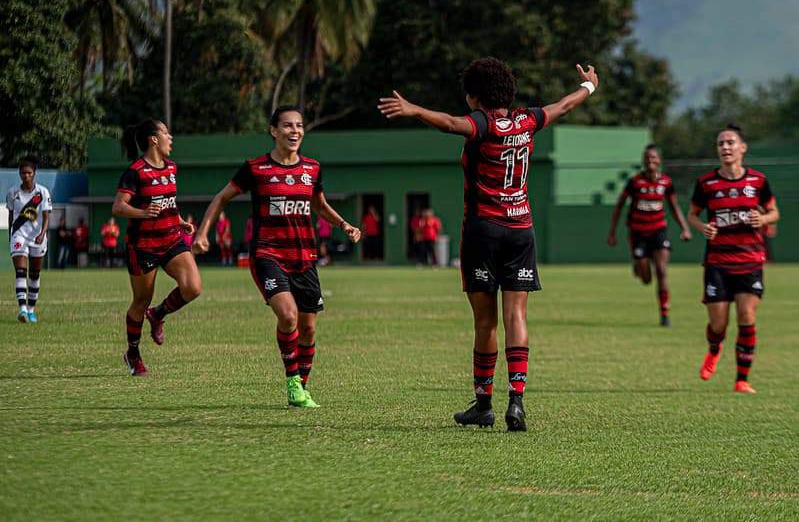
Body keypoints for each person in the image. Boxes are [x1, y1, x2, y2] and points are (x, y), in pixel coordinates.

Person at [379, 57, 598, 431]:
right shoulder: (527, 120)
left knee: (485, 322)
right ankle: (516, 402)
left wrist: (414, 109)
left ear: (474, 96)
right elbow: (564, 105)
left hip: (485, 231)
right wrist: (589, 85)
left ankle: (483, 405)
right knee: (517, 317)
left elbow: (451, 124)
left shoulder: (482, 123)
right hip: (521, 230)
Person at [193, 106, 361, 408]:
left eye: (299, 125)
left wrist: (343, 224)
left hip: (304, 257)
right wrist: (203, 233)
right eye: (287, 125)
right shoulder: (255, 168)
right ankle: (293, 381)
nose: (294, 131)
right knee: (288, 315)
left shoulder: (312, 169)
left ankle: (302, 386)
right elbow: (221, 198)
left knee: (308, 329)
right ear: (273, 131)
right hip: (268, 254)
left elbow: (319, 205)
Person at [687, 122, 779, 394]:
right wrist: (703, 227)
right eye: (720, 144)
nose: (725, 147)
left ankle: (742, 379)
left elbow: (774, 212)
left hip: (750, 260)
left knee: (746, 318)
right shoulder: (706, 183)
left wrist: (763, 219)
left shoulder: (758, 181)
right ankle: (715, 347)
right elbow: (693, 215)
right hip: (717, 262)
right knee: (718, 324)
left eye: (730, 142)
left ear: (743, 147)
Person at [113, 119, 202, 376]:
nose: (170, 138)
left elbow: (168, 202)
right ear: (154, 139)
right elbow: (118, 207)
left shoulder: (171, 167)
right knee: (141, 301)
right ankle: (133, 353)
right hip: (144, 246)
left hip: (172, 239)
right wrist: (142, 213)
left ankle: (158, 314)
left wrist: (179, 220)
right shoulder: (136, 172)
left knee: (193, 287)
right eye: (166, 133)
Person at [606, 145, 692, 326]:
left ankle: (665, 314)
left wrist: (685, 228)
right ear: (643, 162)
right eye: (647, 158)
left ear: (659, 160)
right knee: (646, 279)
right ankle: (639, 266)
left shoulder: (666, 183)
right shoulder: (635, 182)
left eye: (653, 157)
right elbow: (620, 205)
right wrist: (612, 232)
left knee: (661, 270)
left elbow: (674, 207)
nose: (650, 161)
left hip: (659, 231)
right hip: (638, 232)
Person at [6, 156, 52, 323]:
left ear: (34, 174)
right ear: (19, 174)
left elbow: (46, 216)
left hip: (37, 237)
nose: (26, 176)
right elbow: (11, 215)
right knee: (21, 271)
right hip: (19, 235)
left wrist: (42, 234)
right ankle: (22, 310)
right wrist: (10, 235)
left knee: (34, 274)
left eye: (29, 173)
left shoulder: (42, 192)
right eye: (23, 173)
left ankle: (31, 310)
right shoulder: (12, 193)